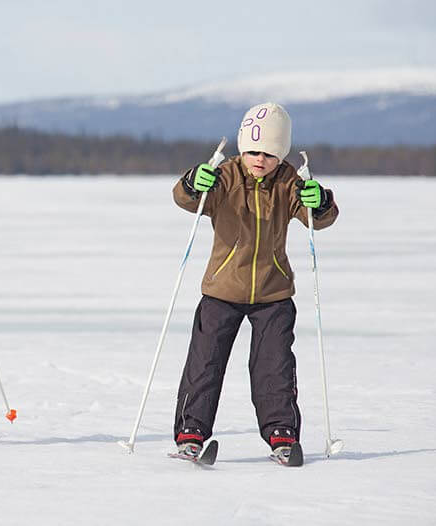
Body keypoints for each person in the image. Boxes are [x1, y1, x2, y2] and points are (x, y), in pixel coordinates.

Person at [171, 102, 339, 465]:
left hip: (273, 292)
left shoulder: (289, 182)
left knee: (274, 367)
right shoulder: (226, 175)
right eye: (252, 151)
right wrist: (192, 182)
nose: (259, 159)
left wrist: (320, 202)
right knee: (205, 363)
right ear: (241, 148)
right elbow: (189, 199)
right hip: (221, 291)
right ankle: (191, 433)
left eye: (269, 153)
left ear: (281, 153)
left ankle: (282, 435)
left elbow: (319, 218)